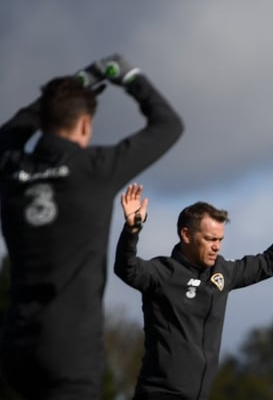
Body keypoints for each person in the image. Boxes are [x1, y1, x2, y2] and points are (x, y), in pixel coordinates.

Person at [0, 55, 183, 399]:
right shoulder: (94, 168)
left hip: (16, 347)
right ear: (85, 125)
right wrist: (128, 76)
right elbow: (168, 125)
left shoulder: (11, 168)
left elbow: (10, 132)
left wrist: (77, 83)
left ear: (43, 120)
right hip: (69, 351)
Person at [114, 183, 273, 399]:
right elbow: (127, 268)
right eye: (210, 239)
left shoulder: (223, 272)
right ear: (186, 235)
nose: (217, 246)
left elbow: (270, 262)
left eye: (220, 240)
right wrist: (132, 229)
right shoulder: (162, 273)